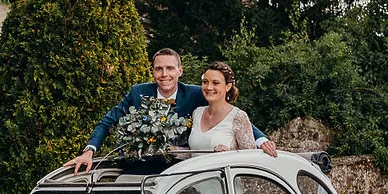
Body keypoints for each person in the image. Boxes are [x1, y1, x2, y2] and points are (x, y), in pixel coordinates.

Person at [64, 48, 276, 173]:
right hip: (141, 171)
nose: (164, 74)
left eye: (170, 68)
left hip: (179, 171)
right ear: (153, 71)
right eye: (159, 69)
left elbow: (229, 114)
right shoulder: (138, 93)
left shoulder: (195, 93)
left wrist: (260, 139)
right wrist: (88, 152)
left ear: (180, 71)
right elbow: (108, 121)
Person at [188, 61, 275, 154]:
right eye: (205, 82)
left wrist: (229, 153)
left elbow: (250, 157)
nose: (209, 87)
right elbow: (195, 153)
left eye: (215, 83)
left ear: (228, 86)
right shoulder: (197, 113)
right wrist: (174, 150)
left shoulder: (238, 117)